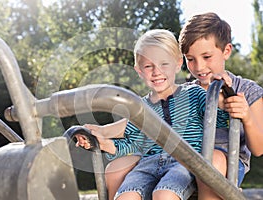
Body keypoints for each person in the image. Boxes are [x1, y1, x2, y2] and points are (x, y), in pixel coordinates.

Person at [76, 29, 230, 200]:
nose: (156, 72)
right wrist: (104, 144)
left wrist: (222, 100)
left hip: (184, 162)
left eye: (164, 64)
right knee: (125, 197)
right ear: (139, 70)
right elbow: (131, 145)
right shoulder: (140, 108)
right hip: (148, 164)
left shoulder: (194, 93)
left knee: (163, 194)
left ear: (178, 64)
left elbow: (218, 121)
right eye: (149, 66)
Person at [178, 12, 263, 199]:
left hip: (226, 163)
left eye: (207, 56)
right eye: (190, 59)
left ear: (226, 51)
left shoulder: (247, 90)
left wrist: (246, 117)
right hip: (185, 162)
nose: (199, 67)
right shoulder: (184, 93)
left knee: (213, 160)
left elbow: (258, 148)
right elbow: (152, 115)